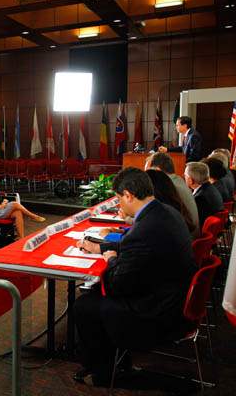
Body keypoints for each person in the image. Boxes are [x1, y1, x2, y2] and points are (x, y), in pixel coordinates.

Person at [73, 168, 197, 386]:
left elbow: (115, 285)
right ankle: (110, 361)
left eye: (119, 198)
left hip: (157, 312)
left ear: (129, 195)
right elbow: (143, 247)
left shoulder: (145, 228)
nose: (119, 204)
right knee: (92, 297)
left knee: (85, 305)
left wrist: (110, 258)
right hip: (173, 295)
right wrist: (102, 247)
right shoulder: (165, 212)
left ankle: (105, 373)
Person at [0, 171, 45, 239]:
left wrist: (3, 202)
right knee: (15, 204)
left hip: (0, 211)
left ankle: (21, 238)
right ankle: (33, 216)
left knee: (18, 213)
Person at [146, 152, 199, 235]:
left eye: (149, 173)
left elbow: (155, 220)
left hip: (185, 240)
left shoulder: (169, 187)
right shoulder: (178, 180)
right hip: (189, 237)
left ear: (157, 171)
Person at [184, 161, 224, 228]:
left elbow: (194, 223)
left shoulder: (200, 198)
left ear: (191, 180)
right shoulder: (210, 187)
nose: (184, 177)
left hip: (202, 233)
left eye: (185, 175)